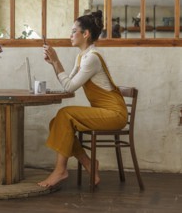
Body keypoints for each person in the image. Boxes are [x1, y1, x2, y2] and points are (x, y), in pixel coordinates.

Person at [38, 10, 128, 187]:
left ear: (85, 34)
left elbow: (70, 87)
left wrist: (57, 62)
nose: (70, 35)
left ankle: (60, 170)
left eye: (73, 31)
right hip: (102, 112)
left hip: (114, 114)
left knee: (64, 115)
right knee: (56, 122)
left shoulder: (92, 59)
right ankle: (89, 163)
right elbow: (68, 84)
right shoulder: (82, 57)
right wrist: (53, 63)